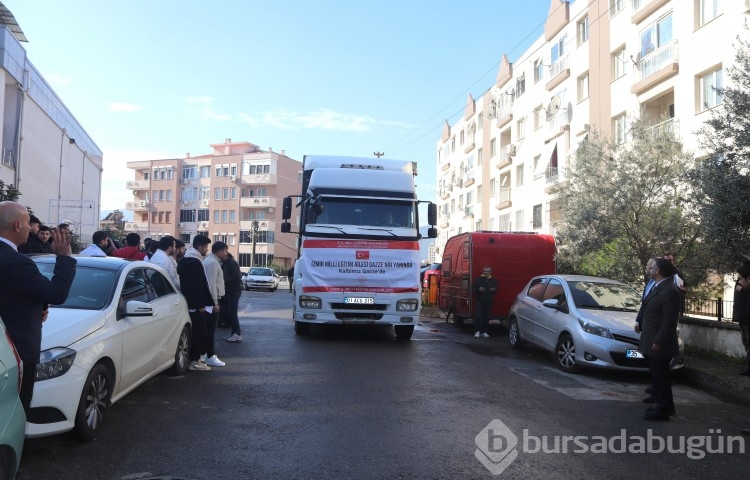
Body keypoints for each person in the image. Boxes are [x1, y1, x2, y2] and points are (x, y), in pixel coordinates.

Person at [0, 201, 76, 413]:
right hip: (14, 354)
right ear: (17, 225)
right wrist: (63, 258)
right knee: (14, 414)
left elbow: (13, 292)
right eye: (27, 224)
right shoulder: (16, 262)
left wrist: (37, 305)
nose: (30, 229)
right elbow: (56, 294)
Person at [639, 257, 681, 421]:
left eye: (652, 267)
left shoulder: (669, 290)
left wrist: (659, 341)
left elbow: (669, 320)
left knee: (661, 377)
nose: (649, 269)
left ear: (658, 271)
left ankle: (663, 410)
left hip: (659, 342)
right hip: (650, 338)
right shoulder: (659, 286)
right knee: (658, 376)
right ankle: (666, 406)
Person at [177, 235, 214, 371]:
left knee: (197, 333)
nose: (206, 250)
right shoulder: (194, 262)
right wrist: (200, 305)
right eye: (205, 247)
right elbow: (196, 286)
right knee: (198, 334)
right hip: (195, 306)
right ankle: (194, 361)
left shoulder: (189, 259)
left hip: (191, 304)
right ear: (199, 247)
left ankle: (194, 359)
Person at [202, 241, 227, 367]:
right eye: (225, 251)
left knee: (208, 329)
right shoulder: (212, 263)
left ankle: (204, 353)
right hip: (212, 300)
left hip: (210, 300)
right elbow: (211, 284)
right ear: (220, 251)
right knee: (210, 329)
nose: (226, 254)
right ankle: (210, 355)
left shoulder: (210, 261)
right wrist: (214, 303)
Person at [221, 252, 243, 342]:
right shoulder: (225, 264)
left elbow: (236, 276)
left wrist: (224, 282)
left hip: (234, 291)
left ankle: (237, 334)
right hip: (229, 291)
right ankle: (233, 333)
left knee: (232, 313)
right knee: (230, 312)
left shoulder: (231, 263)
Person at [733, 263, 750, 376]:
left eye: (740, 279)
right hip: (742, 319)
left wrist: (742, 292)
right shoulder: (742, 287)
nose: (738, 281)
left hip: (747, 320)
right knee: (746, 344)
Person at [473, 266, 497, 338]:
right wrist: (479, 289)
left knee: (486, 317)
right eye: (485, 271)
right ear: (482, 272)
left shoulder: (493, 280)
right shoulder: (478, 279)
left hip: (488, 301)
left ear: (490, 272)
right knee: (478, 317)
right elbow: (474, 288)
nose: (486, 272)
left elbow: (496, 288)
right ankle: (477, 331)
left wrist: (494, 290)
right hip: (479, 301)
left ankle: (484, 332)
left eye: (488, 271)